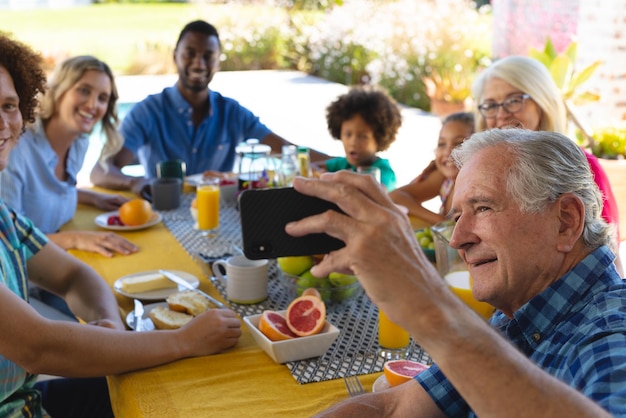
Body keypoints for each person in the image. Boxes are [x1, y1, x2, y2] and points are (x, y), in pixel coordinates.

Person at [287, 129, 626, 417]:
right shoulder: (523, 314)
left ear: (566, 221)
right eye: (457, 215)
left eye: (483, 207)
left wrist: (426, 305)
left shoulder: (610, 332)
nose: (458, 239)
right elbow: (394, 408)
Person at [0, 34, 241, 418]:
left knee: (152, 386)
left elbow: (74, 274)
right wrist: (184, 341)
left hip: (27, 402)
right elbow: (40, 347)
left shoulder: (2, 216)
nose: (3, 122)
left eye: (8, 105)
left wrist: (108, 322)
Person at [90, 20, 327, 196]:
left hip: (220, 217)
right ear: (175, 56)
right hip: (164, 214)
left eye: (208, 55)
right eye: (190, 54)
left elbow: (286, 150)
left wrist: (340, 163)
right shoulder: (148, 112)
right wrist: (135, 183)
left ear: (218, 61)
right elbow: (100, 171)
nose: (198, 63)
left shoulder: (232, 112)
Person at [472, 55, 623, 275]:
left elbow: (609, 262)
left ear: (542, 102)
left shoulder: (581, 167)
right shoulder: (482, 171)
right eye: (491, 105)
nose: (501, 114)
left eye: (514, 100)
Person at [0, 55, 138, 258]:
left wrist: (93, 198)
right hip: (28, 280)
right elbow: (9, 241)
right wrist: (76, 238)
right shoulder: (14, 149)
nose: (93, 105)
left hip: (57, 265)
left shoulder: (79, 143)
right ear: (58, 90)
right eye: (84, 90)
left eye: (102, 98)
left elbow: (43, 194)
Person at [389, 112, 474, 223]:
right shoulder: (445, 180)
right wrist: (440, 221)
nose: (447, 151)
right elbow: (395, 196)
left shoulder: (479, 187)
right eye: (442, 144)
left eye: (459, 143)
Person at [315, 84, 402, 191]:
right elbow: (315, 167)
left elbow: (380, 191)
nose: (353, 142)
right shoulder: (343, 163)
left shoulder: (383, 170)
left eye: (363, 136)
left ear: (380, 138)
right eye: (348, 134)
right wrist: (319, 174)